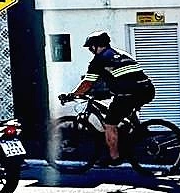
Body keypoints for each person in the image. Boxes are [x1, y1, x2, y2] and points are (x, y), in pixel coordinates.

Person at [61, 31, 155, 165]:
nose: (90, 50)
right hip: (147, 89)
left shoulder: (99, 60)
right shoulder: (121, 54)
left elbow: (87, 83)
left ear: (96, 46)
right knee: (122, 112)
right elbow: (119, 76)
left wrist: (72, 94)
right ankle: (137, 135)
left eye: (90, 47)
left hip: (129, 94)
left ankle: (114, 158)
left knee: (110, 123)